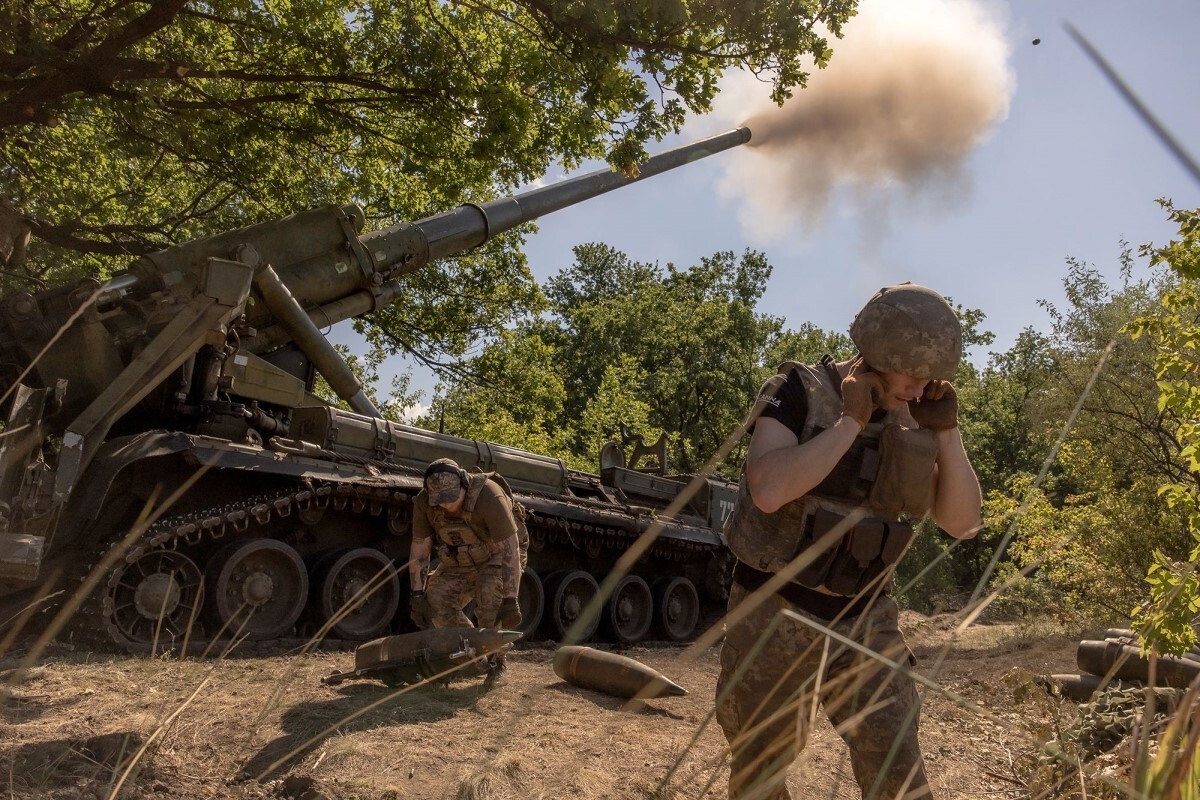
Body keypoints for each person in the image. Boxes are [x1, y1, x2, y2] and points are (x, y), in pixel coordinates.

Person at [715, 283, 982, 800]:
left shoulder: (914, 419)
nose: (920, 385)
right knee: (759, 774)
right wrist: (849, 423)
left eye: (932, 376)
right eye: (912, 371)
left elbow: (962, 523)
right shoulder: (796, 389)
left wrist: (947, 435)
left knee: (899, 773)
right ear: (878, 351)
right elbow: (768, 490)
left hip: (866, 620)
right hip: (776, 612)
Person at [408, 458, 527, 686]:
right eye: (440, 500)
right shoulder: (425, 503)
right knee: (434, 601)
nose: (447, 505)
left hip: (496, 556)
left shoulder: (488, 495)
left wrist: (511, 599)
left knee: (491, 596)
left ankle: (496, 662)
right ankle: (471, 657)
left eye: (452, 497)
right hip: (459, 560)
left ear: (464, 483)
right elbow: (420, 550)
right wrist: (417, 596)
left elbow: (511, 549)